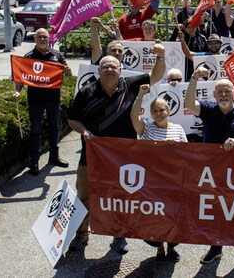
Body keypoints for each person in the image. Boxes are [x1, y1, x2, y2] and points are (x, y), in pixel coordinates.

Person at [67, 43, 166, 254]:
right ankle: (81, 234)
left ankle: (119, 235)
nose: (110, 69)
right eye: (106, 67)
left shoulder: (131, 84)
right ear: (99, 70)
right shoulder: (86, 92)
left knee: (120, 197)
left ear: (120, 70)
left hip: (124, 157)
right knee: (85, 195)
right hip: (91, 155)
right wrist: (84, 132)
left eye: (114, 66)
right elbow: (73, 120)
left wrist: (160, 58)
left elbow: (156, 76)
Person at [184, 68, 234, 272]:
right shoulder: (208, 109)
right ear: (214, 95)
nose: (224, 94)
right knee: (214, 212)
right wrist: (195, 77)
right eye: (220, 92)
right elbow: (189, 104)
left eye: (227, 91)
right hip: (212, 174)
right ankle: (216, 248)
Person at [131, 84, 187, 262]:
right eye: (154, 110)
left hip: (173, 182)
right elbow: (133, 116)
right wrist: (140, 94)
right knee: (155, 216)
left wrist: (176, 147)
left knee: (173, 216)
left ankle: (171, 247)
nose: (158, 113)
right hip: (152, 182)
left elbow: (188, 154)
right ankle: (160, 249)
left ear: (168, 110)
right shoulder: (146, 128)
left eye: (161, 109)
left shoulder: (178, 129)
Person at [12, 28, 72, 175]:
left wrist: (68, 71)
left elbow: (68, 73)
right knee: (36, 131)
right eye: (40, 37)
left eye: (45, 37)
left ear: (49, 38)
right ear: (35, 39)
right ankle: (34, 162)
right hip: (35, 101)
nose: (43, 39)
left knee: (54, 128)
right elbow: (21, 77)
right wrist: (17, 91)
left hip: (53, 99)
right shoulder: (29, 56)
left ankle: (54, 156)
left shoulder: (57, 55)